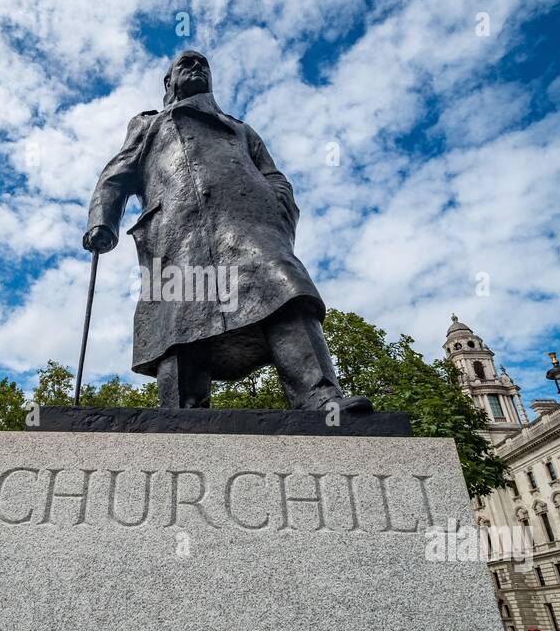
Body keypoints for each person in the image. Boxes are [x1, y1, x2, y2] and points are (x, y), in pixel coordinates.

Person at [84, 50, 372, 413]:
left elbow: (273, 175)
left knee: (287, 290)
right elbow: (115, 175)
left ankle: (320, 398)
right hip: (178, 231)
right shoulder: (148, 124)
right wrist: (102, 221)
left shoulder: (240, 129)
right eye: (185, 64)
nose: (196, 67)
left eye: (202, 64)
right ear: (168, 82)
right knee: (180, 318)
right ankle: (181, 414)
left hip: (250, 227)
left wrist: (277, 208)